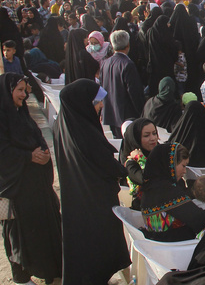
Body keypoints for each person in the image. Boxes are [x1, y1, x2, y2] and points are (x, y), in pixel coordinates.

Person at [53, 79, 131, 284]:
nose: (101, 105)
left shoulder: (65, 123)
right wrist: (128, 167)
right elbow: (105, 162)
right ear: (83, 102)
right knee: (100, 243)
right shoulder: (84, 131)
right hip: (95, 198)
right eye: (97, 101)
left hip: (78, 195)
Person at [0, 73, 62, 285]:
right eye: (19, 90)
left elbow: (36, 137)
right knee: (16, 235)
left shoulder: (21, 114)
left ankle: (48, 271)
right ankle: (21, 277)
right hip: (13, 190)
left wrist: (43, 153)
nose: (24, 95)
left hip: (35, 190)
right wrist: (28, 156)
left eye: (26, 90)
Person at [141, 143, 205, 242]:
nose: (185, 171)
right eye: (183, 166)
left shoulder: (151, 186)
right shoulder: (165, 190)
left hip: (158, 244)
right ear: (171, 165)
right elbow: (200, 219)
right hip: (174, 246)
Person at [100, 30, 145, 139]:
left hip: (110, 112)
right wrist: (141, 112)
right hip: (125, 115)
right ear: (128, 45)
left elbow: (102, 87)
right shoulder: (127, 64)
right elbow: (134, 91)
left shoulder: (106, 63)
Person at [120, 117, 159, 210]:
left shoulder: (159, 153)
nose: (153, 138)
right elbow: (147, 179)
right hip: (148, 211)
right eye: (146, 135)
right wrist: (141, 159)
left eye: (154, 133)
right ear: (136, 139)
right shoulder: (131, 163)